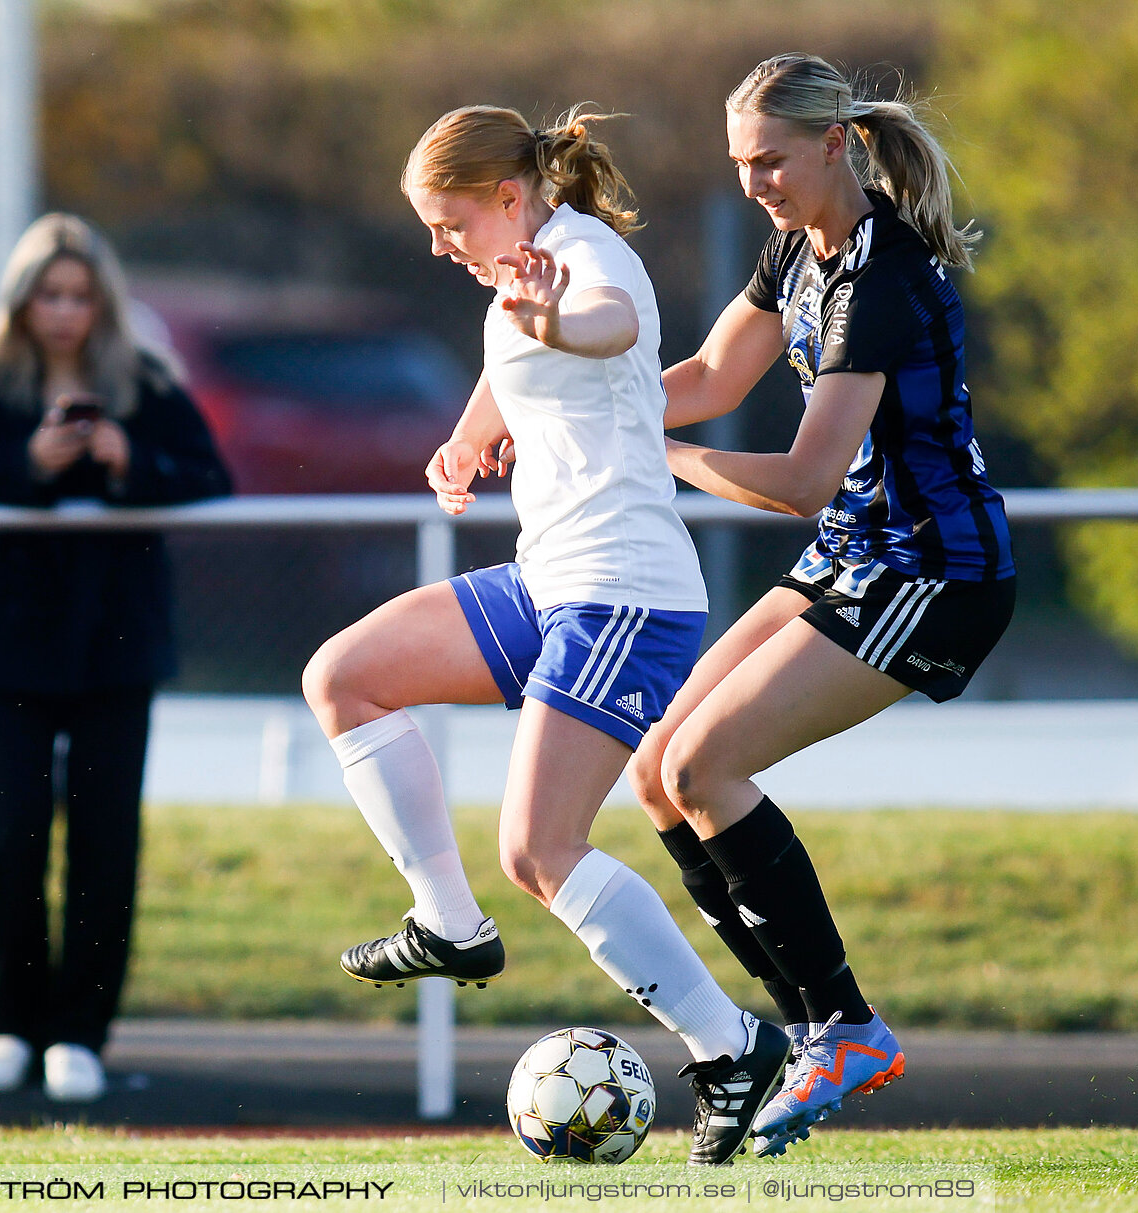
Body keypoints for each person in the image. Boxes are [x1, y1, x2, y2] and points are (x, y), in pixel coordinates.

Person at [301, 105, 790, 1166]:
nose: (443, 247)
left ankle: (731, 1048)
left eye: (451, 224)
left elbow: (606, 324)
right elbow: (513, 356)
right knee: (344, 675)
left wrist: (553, 325)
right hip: (551, 581)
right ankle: (449, 924)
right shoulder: (518, 275)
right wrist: (471, 436)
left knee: (539, 849)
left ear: (511, 199)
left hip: (624, 598)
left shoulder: (581, 261)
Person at [627, 53, 1017, 1157]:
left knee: (707, 767)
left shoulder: (882, 276)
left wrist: (663, 458)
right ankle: (805, 1034)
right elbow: (707, 373)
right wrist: (580, 415)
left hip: (934, 575)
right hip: (858, 555)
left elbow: (798, 478)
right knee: (656, 765)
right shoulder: (800, 242)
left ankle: (841, 1024)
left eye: (772, 161)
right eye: (740, 165)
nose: (756, 182)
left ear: (837, 144)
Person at [0, 214, 230, 1102]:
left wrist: (124, 457)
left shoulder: (142, 380)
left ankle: (82, 1031)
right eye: (49, 294)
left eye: (80, 295)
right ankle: (11, 1021)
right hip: (15, 642)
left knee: (106, 841)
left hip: (118, 642)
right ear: (22, 300)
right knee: (15, 842)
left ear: (102, 302)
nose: (65, 311)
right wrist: (27, 463)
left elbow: (207, 475)